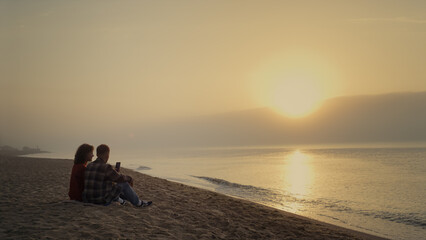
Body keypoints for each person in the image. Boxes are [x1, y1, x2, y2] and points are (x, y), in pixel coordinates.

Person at [82, 144, 152, 207]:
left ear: (97, 154)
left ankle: (125, 200)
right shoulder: (106, 167)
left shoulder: (89, 165)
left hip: (89, 200)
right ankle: (139, 203)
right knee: (123, 184)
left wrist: (114, 173)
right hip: (101, 201)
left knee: (113, 186)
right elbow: (120, 178)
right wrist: (129, 178)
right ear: (107, 154)